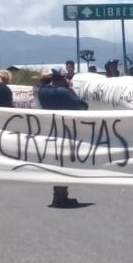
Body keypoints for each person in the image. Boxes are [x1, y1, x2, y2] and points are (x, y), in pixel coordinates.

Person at [39, 68, 89, 208]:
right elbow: (80, 108)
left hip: (51, 132)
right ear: (61, 78)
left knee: (58, 163)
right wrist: (70, 90)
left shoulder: (43, 91)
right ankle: (60, 196)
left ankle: (59, 194)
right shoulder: (64, 92)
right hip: (65, 132)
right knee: (63, 164)